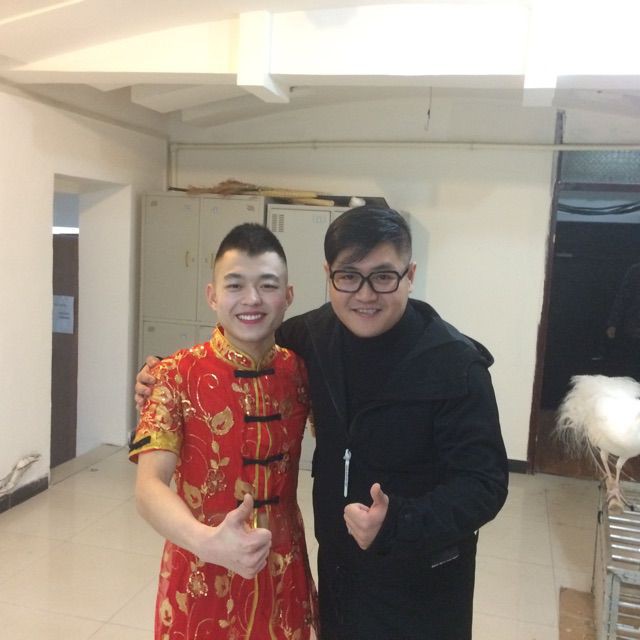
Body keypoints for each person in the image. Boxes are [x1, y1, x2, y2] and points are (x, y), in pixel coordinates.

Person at [137, 206, 508, 640]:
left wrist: (398, 523)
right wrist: (159, 373)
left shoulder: (456, 365)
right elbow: (241, 347)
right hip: (337, 576)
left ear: (409, 275)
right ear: (329, 275)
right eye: (349, 276)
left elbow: (485, 484)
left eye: (383, 277)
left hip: (421, 583)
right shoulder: (311, 339)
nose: (365, 295)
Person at [130, 223, 317, 639]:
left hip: (282, 573)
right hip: (199, 571)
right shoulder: (173, 375)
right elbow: (148, 487)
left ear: (288, 296)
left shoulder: (302, 373)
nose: (252, 299)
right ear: (212, 295)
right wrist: (206, 541)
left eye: (267, 285)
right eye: (235, 285)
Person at [606, 262, 640, 380]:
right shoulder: (636, 271)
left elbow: (622, 298)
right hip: (634, 327)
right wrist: (613, 323)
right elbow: (623, 298)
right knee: (631, 365)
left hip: (633, 326)